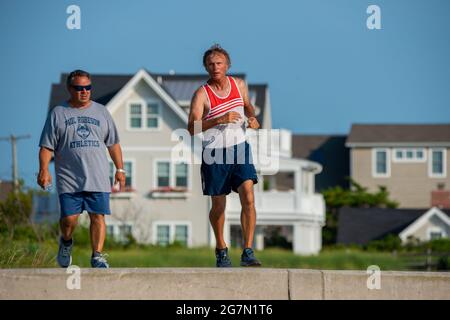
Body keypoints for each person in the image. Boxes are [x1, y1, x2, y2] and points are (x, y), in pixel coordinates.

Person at [38, 69, 125, 268]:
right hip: (69, 178)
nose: (84, 91)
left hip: (97, 176)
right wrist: (44, 170)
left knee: (98, 216)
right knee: (69, 220)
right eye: (79, 88)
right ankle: (66, 242)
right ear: (70, 89)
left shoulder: (102, 111)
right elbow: (46, 147)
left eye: (88, 87)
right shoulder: (58, 113)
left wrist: (120, 170)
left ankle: (97, 255)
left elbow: (113, 144)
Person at [188, 45, 261, 267]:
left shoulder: (239, 85)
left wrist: (253, 119)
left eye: (219, 63)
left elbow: (249, 108)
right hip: (214, 153)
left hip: (240, 147)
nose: (215, 67)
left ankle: (248, 252)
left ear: (227, 65)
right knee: (219, 206)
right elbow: (191, 127)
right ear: (206, 67)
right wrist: (218, 119)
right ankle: (221, 248)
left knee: (248, 195)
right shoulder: (202, 93)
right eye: (210, 64)